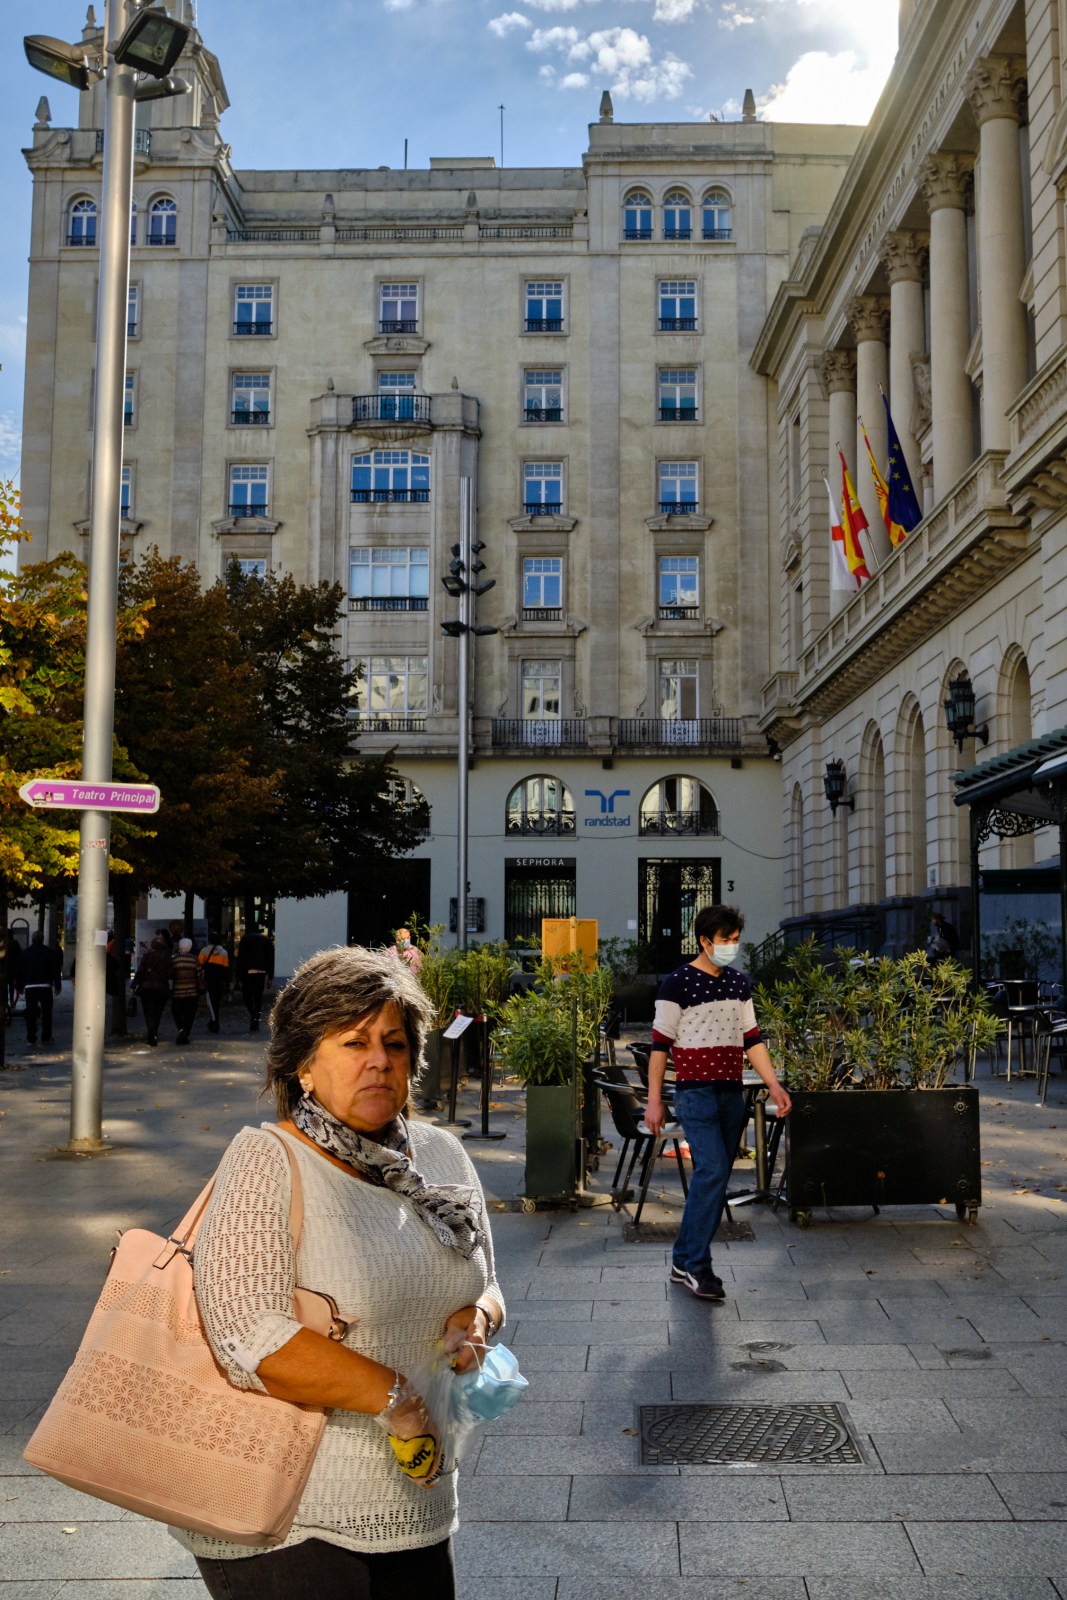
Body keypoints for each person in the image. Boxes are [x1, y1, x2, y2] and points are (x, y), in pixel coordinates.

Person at [174, 945, 504, 1599]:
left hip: (416, 1501)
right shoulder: (267, 1160)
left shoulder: (442, 1153)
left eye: (394, 1043)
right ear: (303, 1065)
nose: (378, 1060)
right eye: (353, 1043)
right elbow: (250, 1340)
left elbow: (485, 1281)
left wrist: (479, 1320)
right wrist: (397, 1404)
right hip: (289, 1512)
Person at [645, 904, 792, 1302]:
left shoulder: (739, 984)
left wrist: (773, 1085)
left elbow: (753, 1040)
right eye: (725, 941)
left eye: (735, 940)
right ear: (704, 941)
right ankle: (697, 1266)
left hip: (732, 1094)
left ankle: (681, 1259)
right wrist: (654, 1101)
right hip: (694, 1093)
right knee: (711, 1172)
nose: (731, 947)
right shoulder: (676, 984)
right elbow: (660, 1047)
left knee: (716, 1177)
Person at [19, 931, 62, 1046]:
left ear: (32, 940)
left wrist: (20, 986)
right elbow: (55, 971)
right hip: (45, 986)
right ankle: (46, 1037)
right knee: (47, 1013)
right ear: (42, 940)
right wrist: (57, 986)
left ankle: (31, 1037)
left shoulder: (25, 953)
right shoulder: (50, 953)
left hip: (30, 987)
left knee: (31, 1014)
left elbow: (20, 971)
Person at [130, 935, 172, 1047]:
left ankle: (152, 1034)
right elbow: (170, 974)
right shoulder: (167, 957)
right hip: (161, 989)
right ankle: (153, 1033)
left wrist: (133, 985)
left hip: (147, 988)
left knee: (148, 1012)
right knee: (157, 1013)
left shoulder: (147, 956)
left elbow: (140, 972)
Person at [235, 921, 274, 1032]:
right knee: (258, 996)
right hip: (261, 972)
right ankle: (256, 1016)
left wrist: (238, 975)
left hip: (247, 972)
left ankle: (252, 1013)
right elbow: (270, 958)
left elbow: (240, 958)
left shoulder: (245, 939)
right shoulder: (266, 940)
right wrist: (270, 976)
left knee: (247, 995)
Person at [170, 937, 201, 1044]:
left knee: (176, 1012)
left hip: (177, 992)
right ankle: (185, 1033)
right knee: (190, 1014)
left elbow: (171, 975)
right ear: (190, 947)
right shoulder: (194, 959)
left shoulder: (175, 960)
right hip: (192, 992)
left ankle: (181, 1029)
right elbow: (199, 974)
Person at [198, 931, 230, 1033]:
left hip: (208, 979)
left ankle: (214, 1020)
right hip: (219, 980)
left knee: (210, 1001)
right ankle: (214, 1019)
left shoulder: (203, 951)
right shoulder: (224, 953)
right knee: (217, 1000)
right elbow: (226, 969)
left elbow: (199, 965)